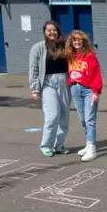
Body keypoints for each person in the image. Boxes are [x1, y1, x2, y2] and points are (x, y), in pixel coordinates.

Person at [28, 21, 71, 157]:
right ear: (45, 32)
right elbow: (33, 69)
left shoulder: (65, 47)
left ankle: (59, 144)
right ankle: (46, 145)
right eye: (49, 30)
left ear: (58, 32)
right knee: (52, 115)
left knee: (64, 115)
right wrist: (35, 89)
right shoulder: (38, 48)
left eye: (54, 30)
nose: (52, 32)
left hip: (64, 81)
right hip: (47, 82)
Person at [65, 30, 103, 162]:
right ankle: (88, 144)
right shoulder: (70, 56)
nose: (77, 42)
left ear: (83, 41)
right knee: (82, 119)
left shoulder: (90, 56)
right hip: (75, 89)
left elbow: (96, 75)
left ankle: (92, 148)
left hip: (88, 90)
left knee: (90, 119)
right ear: (71, 42)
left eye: (79, 40)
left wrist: (95, 92)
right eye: (74, 40)